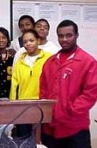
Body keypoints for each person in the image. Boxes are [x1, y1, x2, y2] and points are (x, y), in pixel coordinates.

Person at [40, 20, 97, 148]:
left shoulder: (88, 62)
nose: (64, 39)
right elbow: (43, 90)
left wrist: (69, 111)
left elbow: (90, 94)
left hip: (75, 128)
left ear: (76, 35)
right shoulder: (50, 62)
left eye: (69, 35)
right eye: (61, 36)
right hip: (50, 128)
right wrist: (47, 113)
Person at [9, 29, 51, 137]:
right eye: (25, 42)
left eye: (31, 40)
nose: (28, 44)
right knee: (25, 140)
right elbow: (14, 87)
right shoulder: (20, 62)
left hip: (43, 106)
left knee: (43, 140)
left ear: (38, 40)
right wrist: (13, 108)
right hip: (23, 108)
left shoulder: (49, 58)